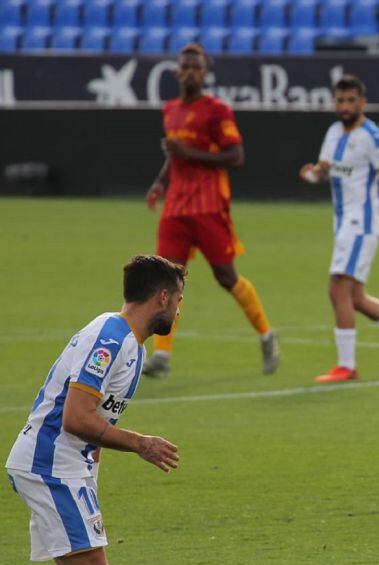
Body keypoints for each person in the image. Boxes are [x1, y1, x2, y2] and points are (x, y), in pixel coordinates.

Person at [3, 255, 184, 565]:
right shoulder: (112, 339)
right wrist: (140, 443)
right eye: (179, 300)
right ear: (161, 297)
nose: (179, 311)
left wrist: (90, 475)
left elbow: (93, 418)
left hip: (63, 466)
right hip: (50, 464)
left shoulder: (128, 342)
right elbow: (77, 417)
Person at [143, 42, 279, 378]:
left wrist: (185, 151)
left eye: (196, 67)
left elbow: (236, 157)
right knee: (165, 277)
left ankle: (266, 334)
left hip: (208, 205)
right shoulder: (170, 108)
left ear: (205, 73)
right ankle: (161, 356)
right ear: (177, 71)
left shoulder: (217, 110)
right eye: (185, 66)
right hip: (176, 206)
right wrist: (161, 182)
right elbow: (174, 155)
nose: (190, 72)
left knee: (226, 276)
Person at [299, 74, 379, 383]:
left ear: (362, 103)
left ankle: (347, 365)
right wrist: (312, 175)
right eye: (340, 100)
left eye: (350, 100)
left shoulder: (372, 135)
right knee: (355, 297)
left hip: (362, 223)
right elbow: (325, 171)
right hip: (343, 223)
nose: (345, 106)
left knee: (337, 289)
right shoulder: (332, 133)